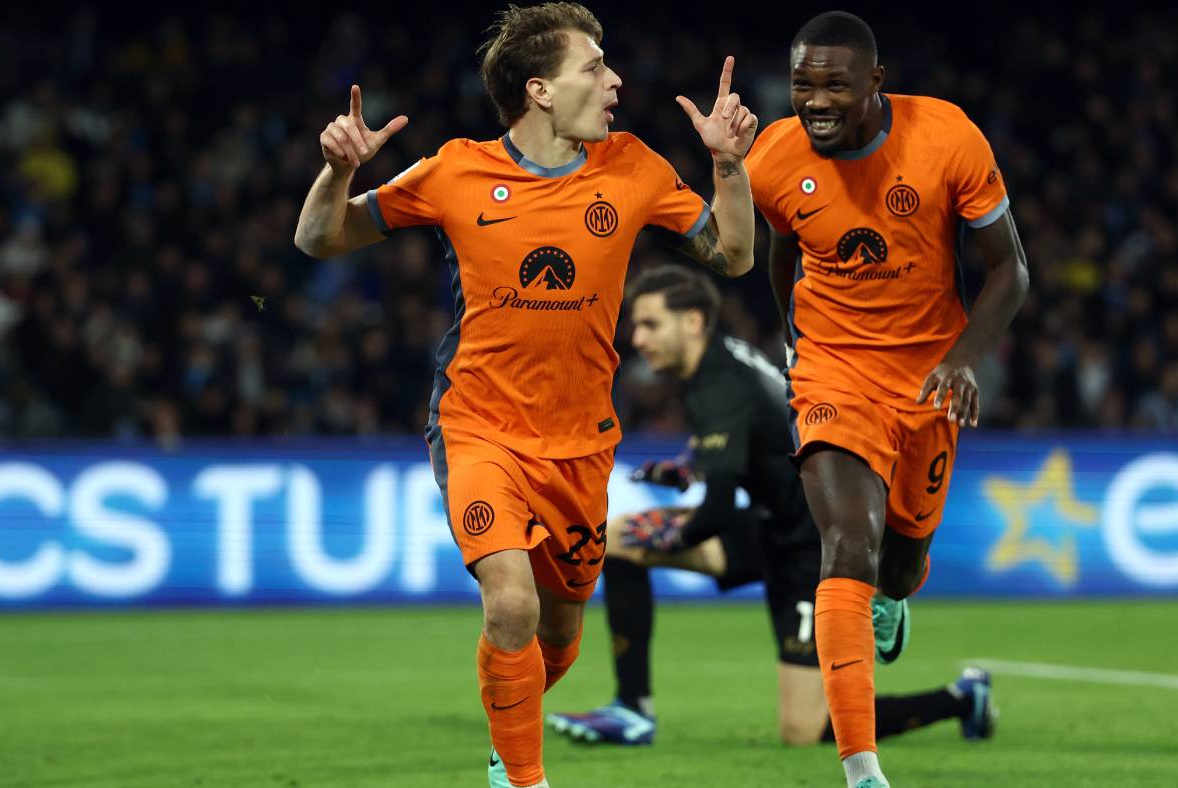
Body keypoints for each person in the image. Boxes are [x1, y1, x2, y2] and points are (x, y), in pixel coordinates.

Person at [293, 4, 760, 786]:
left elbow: (735, 255)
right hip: (479, 426)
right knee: (511, 604)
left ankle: (506, 744)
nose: (615, 82)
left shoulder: (634, 167)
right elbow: (319, 236)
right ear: (539, 89)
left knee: (560, 632)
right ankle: (522, 778)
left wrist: (728, 165)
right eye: (595, 68)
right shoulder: (455, 172)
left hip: (580, 442)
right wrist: (338, 170)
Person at [742, 11, 1030, 788]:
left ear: (875, 82)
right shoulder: (774, 156)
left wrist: (963, 360)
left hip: (929, 377)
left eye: (835, 85)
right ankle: (863, 769)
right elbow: (780, 249)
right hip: (833, 372)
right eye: (803, 84)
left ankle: (896, 598)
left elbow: (1011, 270)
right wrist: (794, 343)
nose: (816, 101)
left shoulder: (947, 138)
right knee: (846, 545)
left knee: (898, 568)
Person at [545, 265, 997, 752]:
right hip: (770, 524)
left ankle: (960, 698)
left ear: (693, 322)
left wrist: (672, 537)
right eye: (636, 325)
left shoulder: (718, 385)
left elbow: (716, 511)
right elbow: (760, 435)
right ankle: (632, 710)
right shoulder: (720, 361)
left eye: (651, 324)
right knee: (618, 540)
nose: (638, 339)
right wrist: (689, 466)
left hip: (811, 549)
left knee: (805, 728)